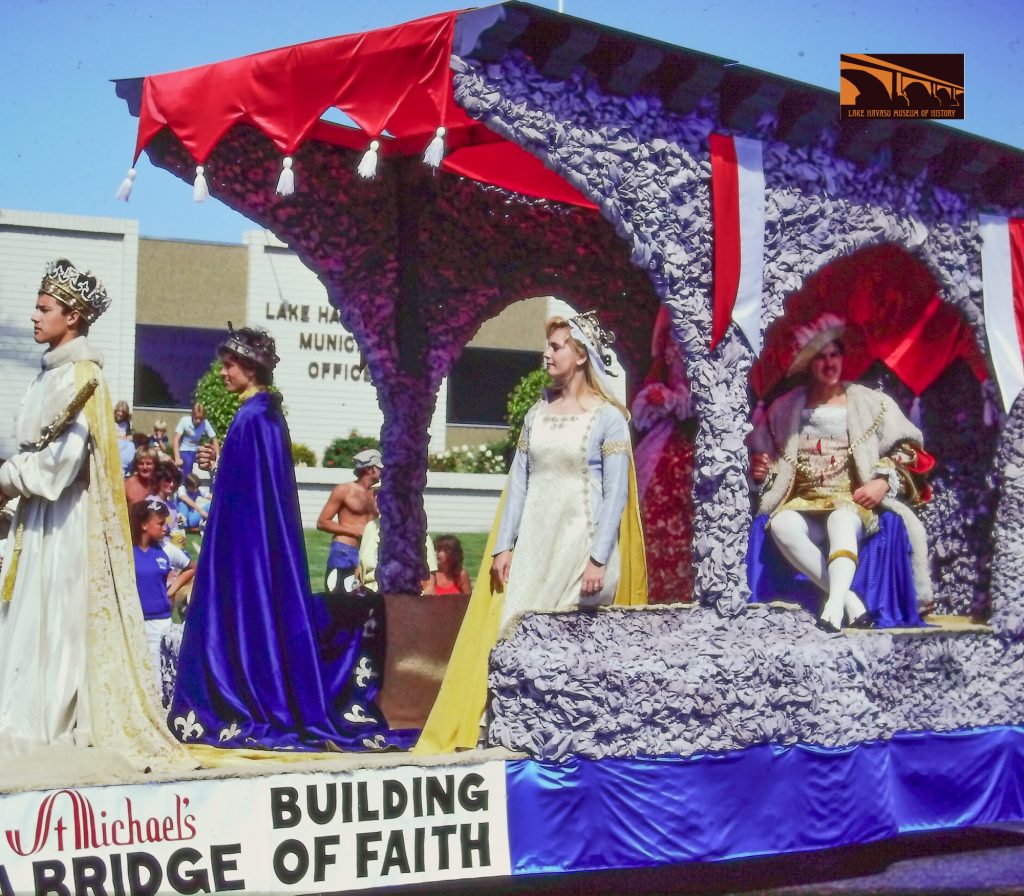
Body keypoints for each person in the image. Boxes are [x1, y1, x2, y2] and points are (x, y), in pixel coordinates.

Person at [415, 311, 647, 754]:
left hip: (580, 542)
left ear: (580, 355)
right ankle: (502, 727)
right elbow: (518, 483)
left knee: (566, 638)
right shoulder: (537, 415)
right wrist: (504, 545)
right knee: (512, 631)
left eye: (556, 346)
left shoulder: (609, 419)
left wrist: (599, 557)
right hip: (535, 544)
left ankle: (567, 734)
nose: (546, 353)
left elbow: (615, 493)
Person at [168, 325, 407, 751]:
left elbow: (248, 499)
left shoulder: (254, 416)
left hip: (245, 553)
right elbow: (249, 488)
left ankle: (243, 699)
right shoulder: (263, 415)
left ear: (249, 367)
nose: (223, 374)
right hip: (251, 548)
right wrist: (219, 463)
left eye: (228, 366)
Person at [0, 258, 186, 768]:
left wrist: (6, 478)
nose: (35, 318)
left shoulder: (84, 379)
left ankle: (47, 724)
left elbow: (59, 466)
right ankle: (22, 716)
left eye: (44, 309)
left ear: (73, 317)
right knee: (27, 617)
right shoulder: (48, 376)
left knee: (56, 622)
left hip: (64, 523)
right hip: (35, 520)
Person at [748, 314, 933, 631]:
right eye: (820, 357)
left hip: (852, 501)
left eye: (834, 355)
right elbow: (767, 460)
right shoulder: (784, 409)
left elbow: (910, 450)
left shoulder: (872, 403)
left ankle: (832, 608)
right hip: (802, 502)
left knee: (841, 520)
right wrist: (762, 472)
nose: (829, 363)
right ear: (808, 364)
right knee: (780, 524)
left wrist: (882, 482)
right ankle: (850, 602)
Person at [631, 305, 697, 603]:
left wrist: (673, 401)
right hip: (663, 446)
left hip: (694, 445)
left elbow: (702, 401)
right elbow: (641, 411)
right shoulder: (666, 355)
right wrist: (659, 400)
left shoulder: (701, 352)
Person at [130, 500, 195, 693]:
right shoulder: (126, 551)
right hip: (133, 622)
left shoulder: (167, 550)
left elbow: (191, 568)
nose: (165, 527)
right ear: (144, 525)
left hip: (160, 623)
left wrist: (171, 590)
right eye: (159, 523)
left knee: (159, 678)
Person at [316, 448, 383, 594]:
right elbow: (322, 522)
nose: (384, 472)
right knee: (338, 596)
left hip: (368, 553)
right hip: (344, 550)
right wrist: (356, 532)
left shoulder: (381, 495)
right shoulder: (344, 490)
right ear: (369, 469)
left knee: (364, 598)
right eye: (380, 468)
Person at [173, 403, 218, 478]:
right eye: (196, 418)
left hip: (196, 450)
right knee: (188, 462)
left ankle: (212, 487)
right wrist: (177, 458)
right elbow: (176, 439)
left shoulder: (205, 423)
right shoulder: (184, 421)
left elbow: (214, 439)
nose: (198, 421)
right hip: (185, 450)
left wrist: (217, 458)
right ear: (192, 415)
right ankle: (188, 485)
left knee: (209, 462)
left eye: (201, 418)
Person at [113, 400, 136, 473]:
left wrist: (129, 437)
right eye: (119, 411)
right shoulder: (110, 421)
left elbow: (129, 435)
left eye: (123, 412)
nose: (120, 414)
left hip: (123, 447)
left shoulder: (127, 423)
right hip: (113, 445)